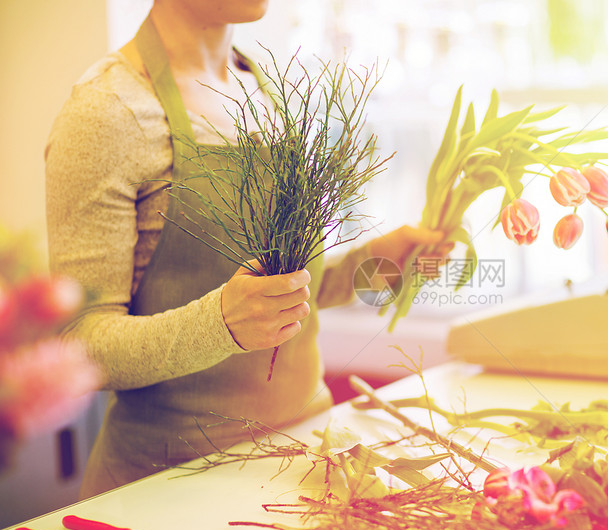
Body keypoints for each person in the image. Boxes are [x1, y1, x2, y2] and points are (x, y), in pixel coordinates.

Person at [45, 0, 444, 498]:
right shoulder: (108, 112)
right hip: (172, 489)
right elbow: (78, 345)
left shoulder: (266, 91)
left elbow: (284, 293)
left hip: (308, 462)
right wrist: (221, 326)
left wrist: (372, 267)